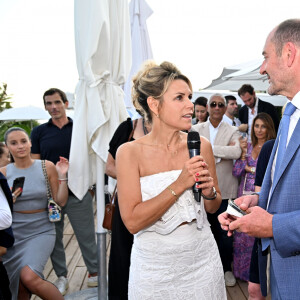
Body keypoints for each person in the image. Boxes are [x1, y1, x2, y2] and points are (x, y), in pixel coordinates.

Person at [116, 61, 226, 299]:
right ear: (154, 104)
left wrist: (209, 193)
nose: (190, 105)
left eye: (190, 96)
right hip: (154, 272)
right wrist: (179, 184)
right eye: (179, 98)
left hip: (203, 263)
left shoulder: (201, 145)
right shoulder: (129, 153)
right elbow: (133, 222)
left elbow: (213, 206)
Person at [218, 19, 300, 299]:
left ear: (289, 54)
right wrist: (258, 201)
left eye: (266, 57)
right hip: (280, 280)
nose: (262, 68)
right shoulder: (289, 115)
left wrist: (272, 225)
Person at [30, 88, 98, 295]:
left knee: (86, 235)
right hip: (50, 195)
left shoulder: (79, 129)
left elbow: (92, 158)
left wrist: (90, 186)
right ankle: (61, 276)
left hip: (78, 192)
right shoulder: (39, 132)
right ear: (45, 107)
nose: (53, 107)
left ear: (66, 103)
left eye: (57, 102)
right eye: (49, 103)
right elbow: (35, 163)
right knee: (54, 238)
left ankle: (94, 273)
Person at [2, 127, 69, 300]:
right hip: (13, 233)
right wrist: (9, 201)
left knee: (29, 277)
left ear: (31, 143)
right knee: (18, 286)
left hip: (41, 229)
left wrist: (63, 176)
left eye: (23, 141)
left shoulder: (46, 166)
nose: (20, 146)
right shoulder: (3, 172)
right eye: (14, 143)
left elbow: (61, 201)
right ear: (7, 147)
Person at [192, 93, 241, 287]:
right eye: (213, 104)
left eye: (221, 104)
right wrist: (221, 151)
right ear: (208, 106)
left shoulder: (233, 130)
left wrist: (207, 149)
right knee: (202, 231)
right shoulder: (196, 129)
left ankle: (226, 269)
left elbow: (236, 152)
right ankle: (205, 272)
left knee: (226, 235)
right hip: (202, 190)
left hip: (227, 192)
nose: (217, 107)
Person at [106, 115, 151, 300]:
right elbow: (109, 167)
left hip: (163, 205)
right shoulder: (127, 128)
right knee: (124, 257)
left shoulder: (175, 130)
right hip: (128, 205)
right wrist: (137, 179)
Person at [232, 113, 275, 282]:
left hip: (260, 197)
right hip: (242, 195)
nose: (259, 130)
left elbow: (270, 175)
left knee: (254, 235)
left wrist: (250, 170)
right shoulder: (247, 146)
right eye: (256, 126)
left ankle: (255, 277)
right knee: (239, 235)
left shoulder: (272, 148)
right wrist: (243, 157)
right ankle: (240, 274)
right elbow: (236, 171)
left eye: (263, 126)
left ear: (269, 128)